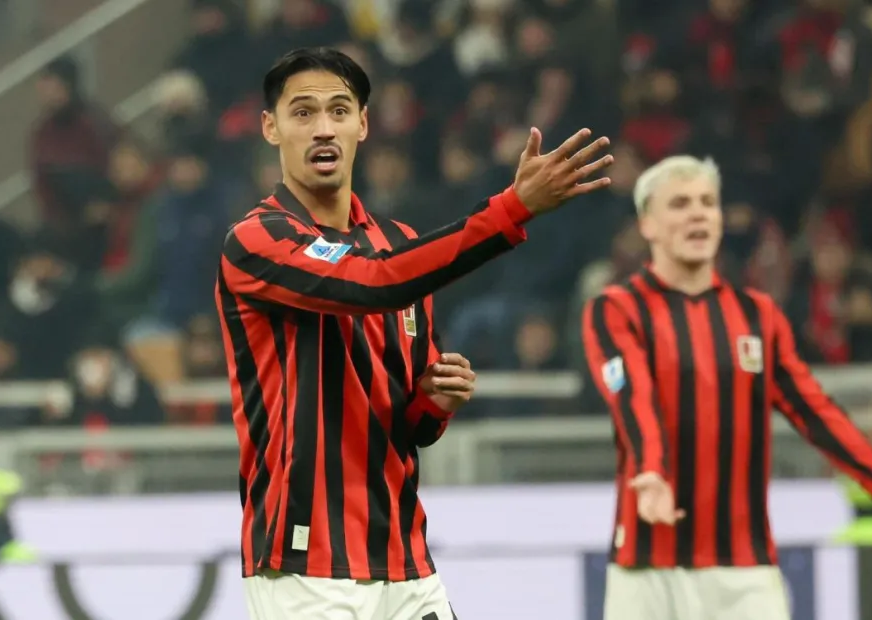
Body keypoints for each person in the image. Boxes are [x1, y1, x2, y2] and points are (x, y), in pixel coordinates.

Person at [217, 47, 613, 620]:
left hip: (404, 557)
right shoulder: (256, 240)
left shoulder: (400, 244)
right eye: (302, 112)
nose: (323, 127)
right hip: (306, 562)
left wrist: (435, 400)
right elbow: (373, 284)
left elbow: (413, 427)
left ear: (362, 124)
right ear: (270, 128)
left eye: (339, 110)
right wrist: (512, 208)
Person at [581, 155, 872, 620]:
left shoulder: (757, 316)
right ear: (648, 225)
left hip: (745, 571)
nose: (698, 214)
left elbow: (814, 410)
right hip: (647, 569)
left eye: (707, 203)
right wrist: (652, 471)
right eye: (679, 204)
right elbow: (632, 395)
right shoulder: (616, 310)